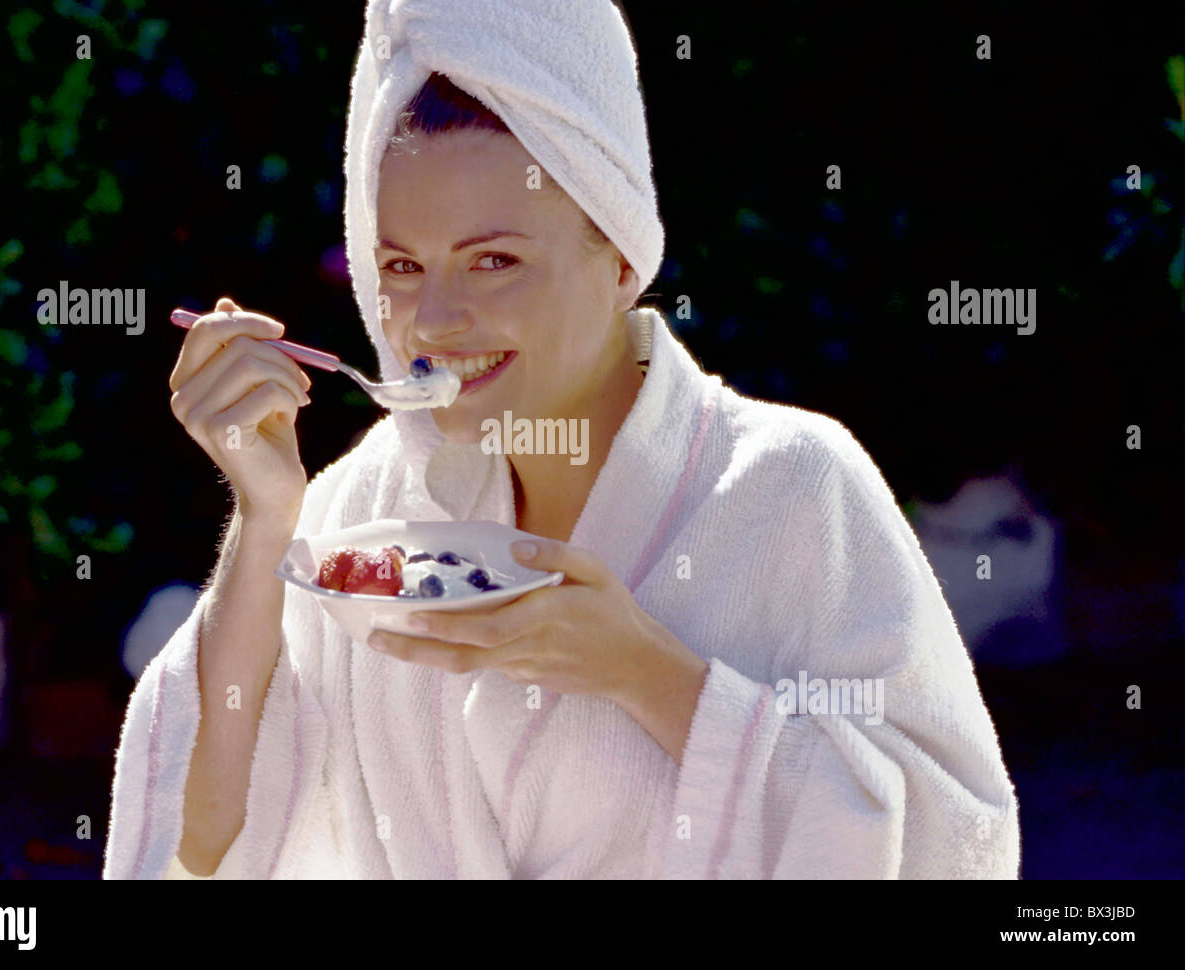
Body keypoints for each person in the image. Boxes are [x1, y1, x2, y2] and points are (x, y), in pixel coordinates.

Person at [103, 0, 1020, 879]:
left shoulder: (789, 492)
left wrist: (652, 675)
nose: (434, 320)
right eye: (401, 266)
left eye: (493, 260)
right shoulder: (363, 524)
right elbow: (207, 842)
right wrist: (267, 520)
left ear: (619, 255)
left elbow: (960, 849)